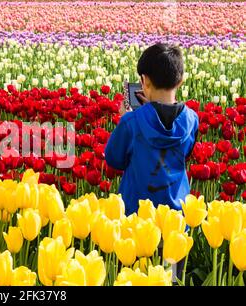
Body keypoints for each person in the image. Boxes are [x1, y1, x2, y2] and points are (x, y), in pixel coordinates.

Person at [105, 42, 199, 284]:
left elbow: (114, 159)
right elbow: (184, 152)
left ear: (144, 81)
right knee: (170, 279)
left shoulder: (132, 122)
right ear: (180, 81)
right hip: (175, 219)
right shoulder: (191, 120)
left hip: (136, 218)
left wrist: (125, 120)